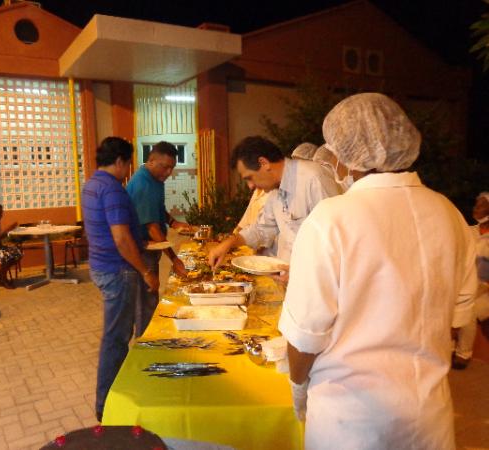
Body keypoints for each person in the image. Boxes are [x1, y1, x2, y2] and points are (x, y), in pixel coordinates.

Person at [278, 93, 477, 449]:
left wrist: (297, 388)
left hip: (351, 420)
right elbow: (457, 316)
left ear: (347, 155)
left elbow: (305, 338)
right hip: (428, 414)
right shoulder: (449, 214)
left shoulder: (331, 219)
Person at [82, 137, 159, 422]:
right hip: (118, 271)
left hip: (102, 267)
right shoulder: (112, 189)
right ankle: (106, 405)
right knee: (115, 339)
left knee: (115, 337)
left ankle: (114, 396)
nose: (128, 169)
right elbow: (120, 237)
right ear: (120, 161)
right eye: (127, 163)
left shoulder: (91, 184)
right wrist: (145, 270)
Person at [208, 136, 340, 272]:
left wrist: (303, 274)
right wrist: (228, 244)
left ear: (264, 163)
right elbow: (261, 229)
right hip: (287, 277)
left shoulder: (314, 178)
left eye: (249, 178)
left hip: (315, 280)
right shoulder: (274, 191)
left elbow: (335, 242)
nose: (250, 186)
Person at [126, 141, 190, 336]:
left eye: (172, 167)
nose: (168, 172)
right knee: (146, 299)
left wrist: (174, 223)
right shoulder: (143, 184)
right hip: (142, 251)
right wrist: (174, 258)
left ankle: (147, 336)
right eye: (165, 167)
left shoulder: (155, 179)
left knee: (149, 297)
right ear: (151, 161)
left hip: (149, 248)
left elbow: (157, 210)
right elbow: (153, 228)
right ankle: (146, 341)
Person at [452, 192, 489, 369]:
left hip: (486, 291)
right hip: (468, 285)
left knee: (470, 310)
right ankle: (449, 347)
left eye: (481, 205)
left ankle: (463, 354)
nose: (476, 209)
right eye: (476, 205)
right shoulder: (469, 231)